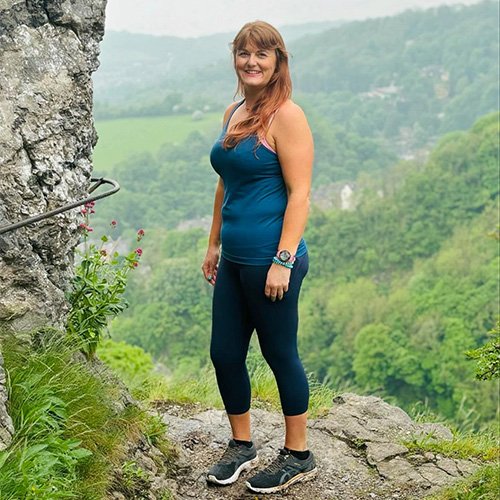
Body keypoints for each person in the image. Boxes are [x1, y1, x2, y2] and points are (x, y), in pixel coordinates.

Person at [201, 20, 316, 495]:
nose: (251, 61)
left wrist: (283, 260)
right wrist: (213, 243)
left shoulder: (287, 116)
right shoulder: (234, 112)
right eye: (243, 53)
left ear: (277, 62)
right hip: (234, 260)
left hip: (274, 261)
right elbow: (226, 181)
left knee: (278, 353)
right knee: (225, 353)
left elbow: (301, 193)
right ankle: (242, 444)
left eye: (261, 55)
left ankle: (297, 455)